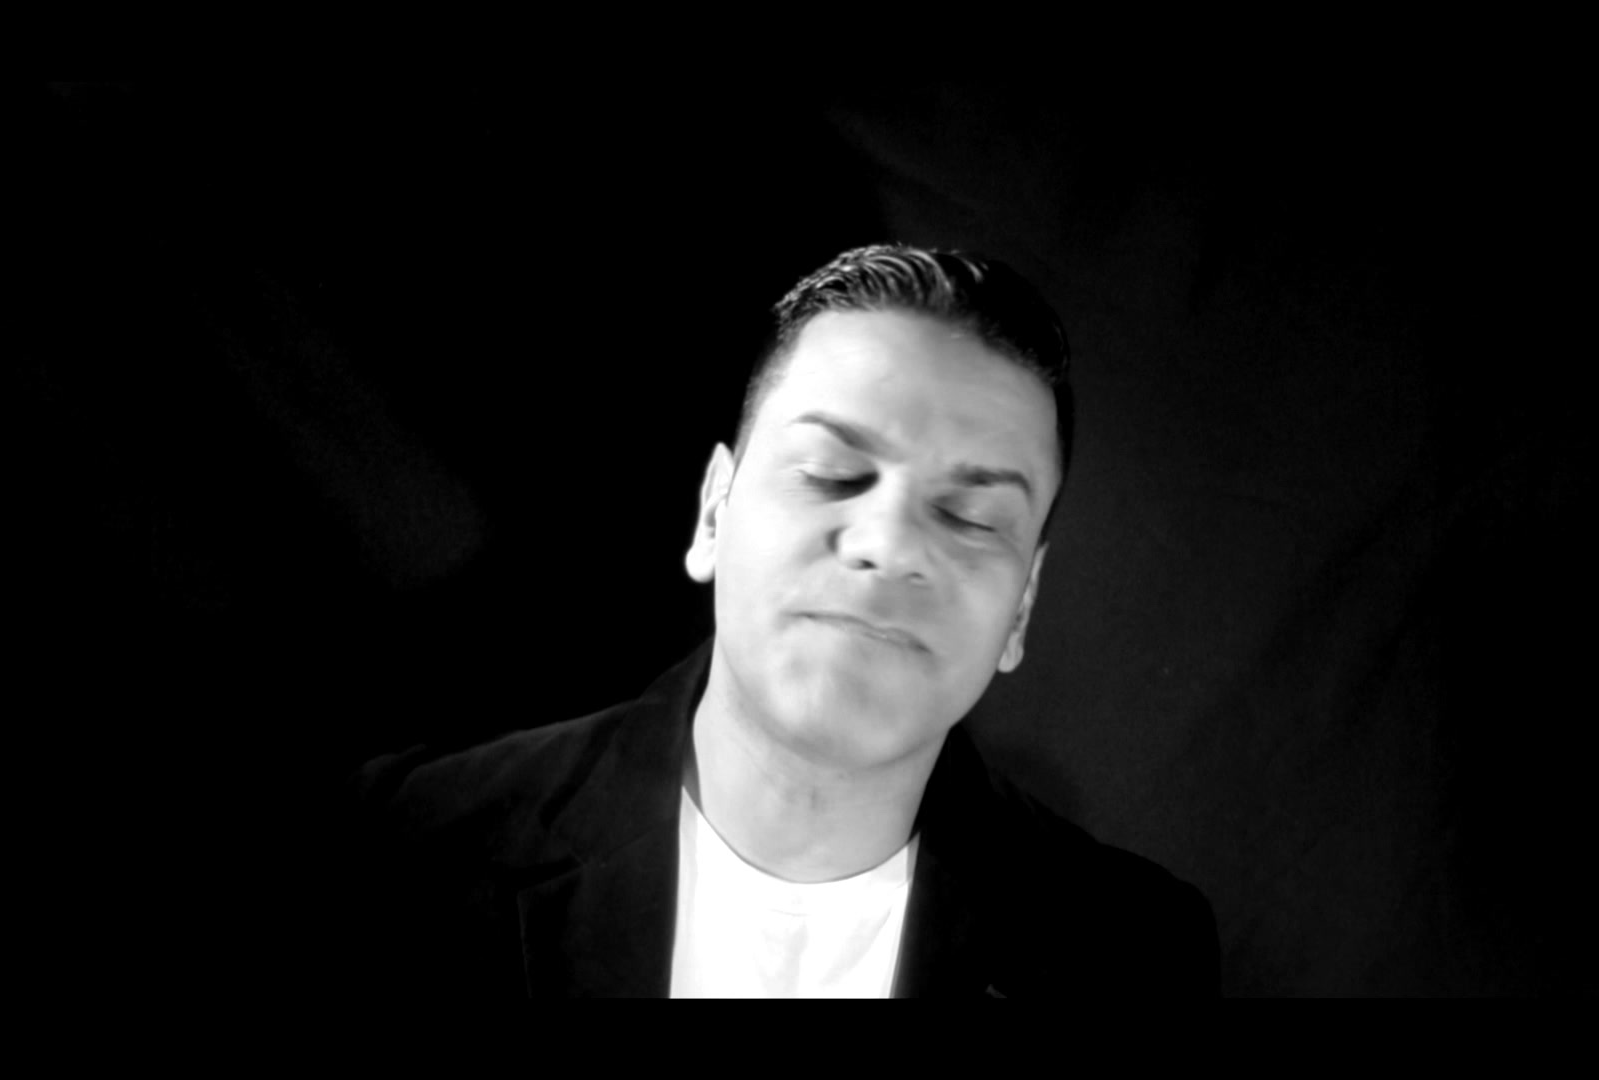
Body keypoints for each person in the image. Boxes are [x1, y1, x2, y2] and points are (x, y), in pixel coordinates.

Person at [347, 243, 1220, 998]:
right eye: (832, 472)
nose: (888, 544)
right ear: (713, 513)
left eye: (970, 517)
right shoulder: (403, 850)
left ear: (1021, 606)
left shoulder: (1134, 953)